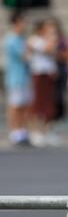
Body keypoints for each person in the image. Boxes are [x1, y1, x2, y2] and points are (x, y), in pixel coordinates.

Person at [3, 12, 32, 146]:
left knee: (24, 106)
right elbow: (24, 56)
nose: (24, 26)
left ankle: (22, 131)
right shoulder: (11, 40)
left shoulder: (21, 39)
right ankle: (14, 132)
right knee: (15, 106)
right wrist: (29, 49)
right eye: (22, 23)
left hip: (24, 77)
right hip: (15, 78)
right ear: (16, 23)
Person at [27, 19, 58, 147]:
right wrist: (51, 37)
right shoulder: (34, 40)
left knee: (48, 104)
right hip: (39, 74)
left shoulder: (47, 40)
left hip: (48, 74)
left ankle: (45, 131)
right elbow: (48, 49)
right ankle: (35, 132)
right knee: (38, 104)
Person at [53, 19, 68, 122]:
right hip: (52, 71)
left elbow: (66, 55)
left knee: (60, 94)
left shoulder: (61, 41)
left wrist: (56, 54)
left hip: (61, 69)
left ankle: (60, 115)